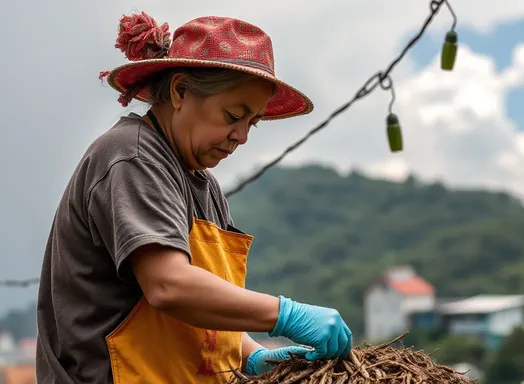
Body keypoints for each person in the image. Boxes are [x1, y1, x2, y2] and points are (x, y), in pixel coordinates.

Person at [35, 11, 353, 384]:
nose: (242, 136)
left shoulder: (204, 186)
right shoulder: (131, 157)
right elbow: (169, 285)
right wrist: (286, 314)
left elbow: (203, 309)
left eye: (253, 122)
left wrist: (252, 356)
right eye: (233, 115)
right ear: (180, 91)